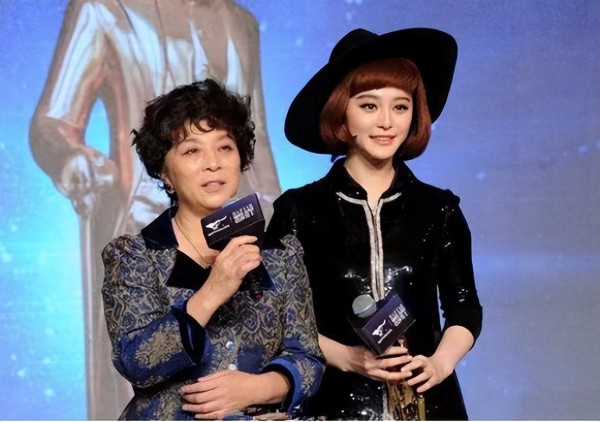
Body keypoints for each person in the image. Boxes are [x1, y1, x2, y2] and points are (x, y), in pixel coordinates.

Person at [28, 1, 280, 418]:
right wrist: (74, 161)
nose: (213, 160)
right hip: (139, 221)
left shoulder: (241, 22)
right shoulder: (103, 8)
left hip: (236, 235)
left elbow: (260, 140)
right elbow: (53, 121)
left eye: (225, 150)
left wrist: (273, 217)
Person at [266, 28, 483, 420]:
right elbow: (275, 318)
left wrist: (439, 364)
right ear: (342, 113)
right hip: (333, 405)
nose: (386, 122)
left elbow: (464, 309)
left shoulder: (440, 209)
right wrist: (349, 358)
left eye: (400, 107)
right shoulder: (298, 210)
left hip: (430, 406)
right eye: (369, 106)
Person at [101, 79, 324, 420]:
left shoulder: (280, 255)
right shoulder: (134, 256)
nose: (213, 163)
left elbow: (308, 359)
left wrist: (259, 388)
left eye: (225, 147)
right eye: (192, 151)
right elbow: (137, 363)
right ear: (164, 172)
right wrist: (214, 289)